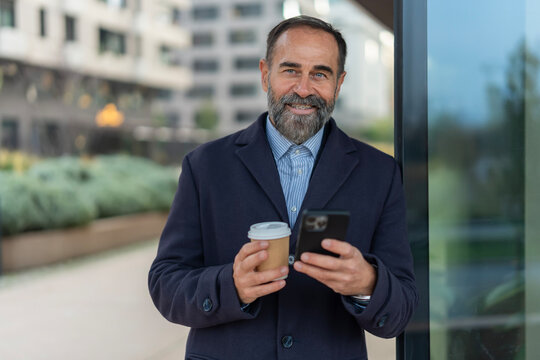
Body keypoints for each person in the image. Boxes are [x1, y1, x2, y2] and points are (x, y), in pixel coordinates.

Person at [148, 15, 417, 360]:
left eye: (320, 73)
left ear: (339, 83)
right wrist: (231, 286)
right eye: (290, 70)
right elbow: (165, 283)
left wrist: (367, 284)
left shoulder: (380, 174)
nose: (303, 89)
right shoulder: (204, 167)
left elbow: (402, 308)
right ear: (265, 74)